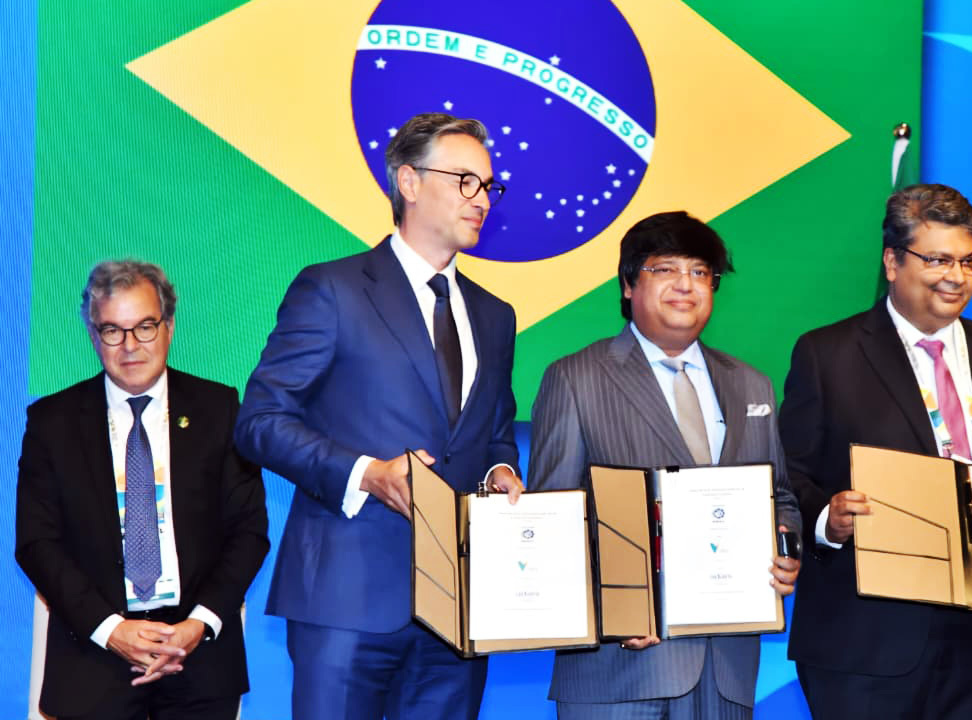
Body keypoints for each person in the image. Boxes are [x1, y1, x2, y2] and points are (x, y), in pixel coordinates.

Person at [234, 113, 523, 720]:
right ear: (409, 183)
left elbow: (495, 433)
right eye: (465, 180)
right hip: (346, 598)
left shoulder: (496, 316)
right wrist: (366, 473)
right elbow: (260, 420)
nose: (482, 199)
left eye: (489, 186)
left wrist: (501, 470)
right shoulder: (332, 289)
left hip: (458, 608)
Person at [780, 184, 972, 719]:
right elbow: (791, 476)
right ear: (893, 261)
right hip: (868, 648)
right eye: (938, 259)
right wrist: (828, 519)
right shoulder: (827, 354)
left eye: (969, 261)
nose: (957, 277)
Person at [527, 210, 802, 718]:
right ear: (629, 283)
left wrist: (785, 546)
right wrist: (614, 607)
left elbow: (780, 496)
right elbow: (553, 519)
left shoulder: (751, 385)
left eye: (700, 272)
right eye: (665, 269)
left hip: (727, 668)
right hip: (620, 669)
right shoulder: (575, 378)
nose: (685, 285)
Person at [15, 260, 269, 719]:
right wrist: (111, 629)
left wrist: (198, 625)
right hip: (95, 658)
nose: (129, 346)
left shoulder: (219, 409)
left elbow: (249, 532)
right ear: (94, 335)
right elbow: (36, 544)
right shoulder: (52, 422)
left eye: (145, 327)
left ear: (169, 327)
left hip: (199, 658)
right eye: (112, 330)